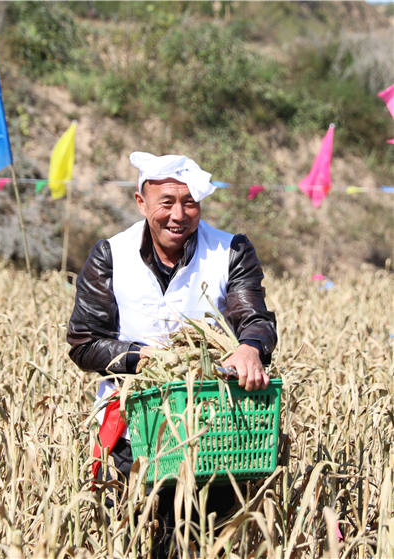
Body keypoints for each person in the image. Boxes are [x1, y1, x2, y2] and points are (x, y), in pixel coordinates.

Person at [67, 151, 277, 557]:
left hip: (215, 437)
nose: (178, 214)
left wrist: (251, 348)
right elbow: (85, 341)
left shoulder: (231, 250)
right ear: (141, 202)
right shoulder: (110, 255)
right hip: (131, 434)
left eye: (190, 202)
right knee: (132, 542)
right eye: (166, 202)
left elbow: (254, 316)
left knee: (202, 545)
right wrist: (140, 357)